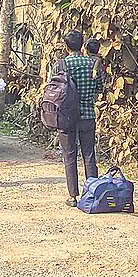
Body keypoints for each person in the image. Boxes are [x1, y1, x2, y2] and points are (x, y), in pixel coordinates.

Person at [58, 31, 102, 205]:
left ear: (66, 46)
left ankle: (72, 196)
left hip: (67, 117)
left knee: (69, 155)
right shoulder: (92, 63)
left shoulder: (61, 64)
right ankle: (92, 192)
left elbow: (54, 90)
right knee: (89, 154)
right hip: (88, 115)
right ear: (82, 45)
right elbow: (99, 88)